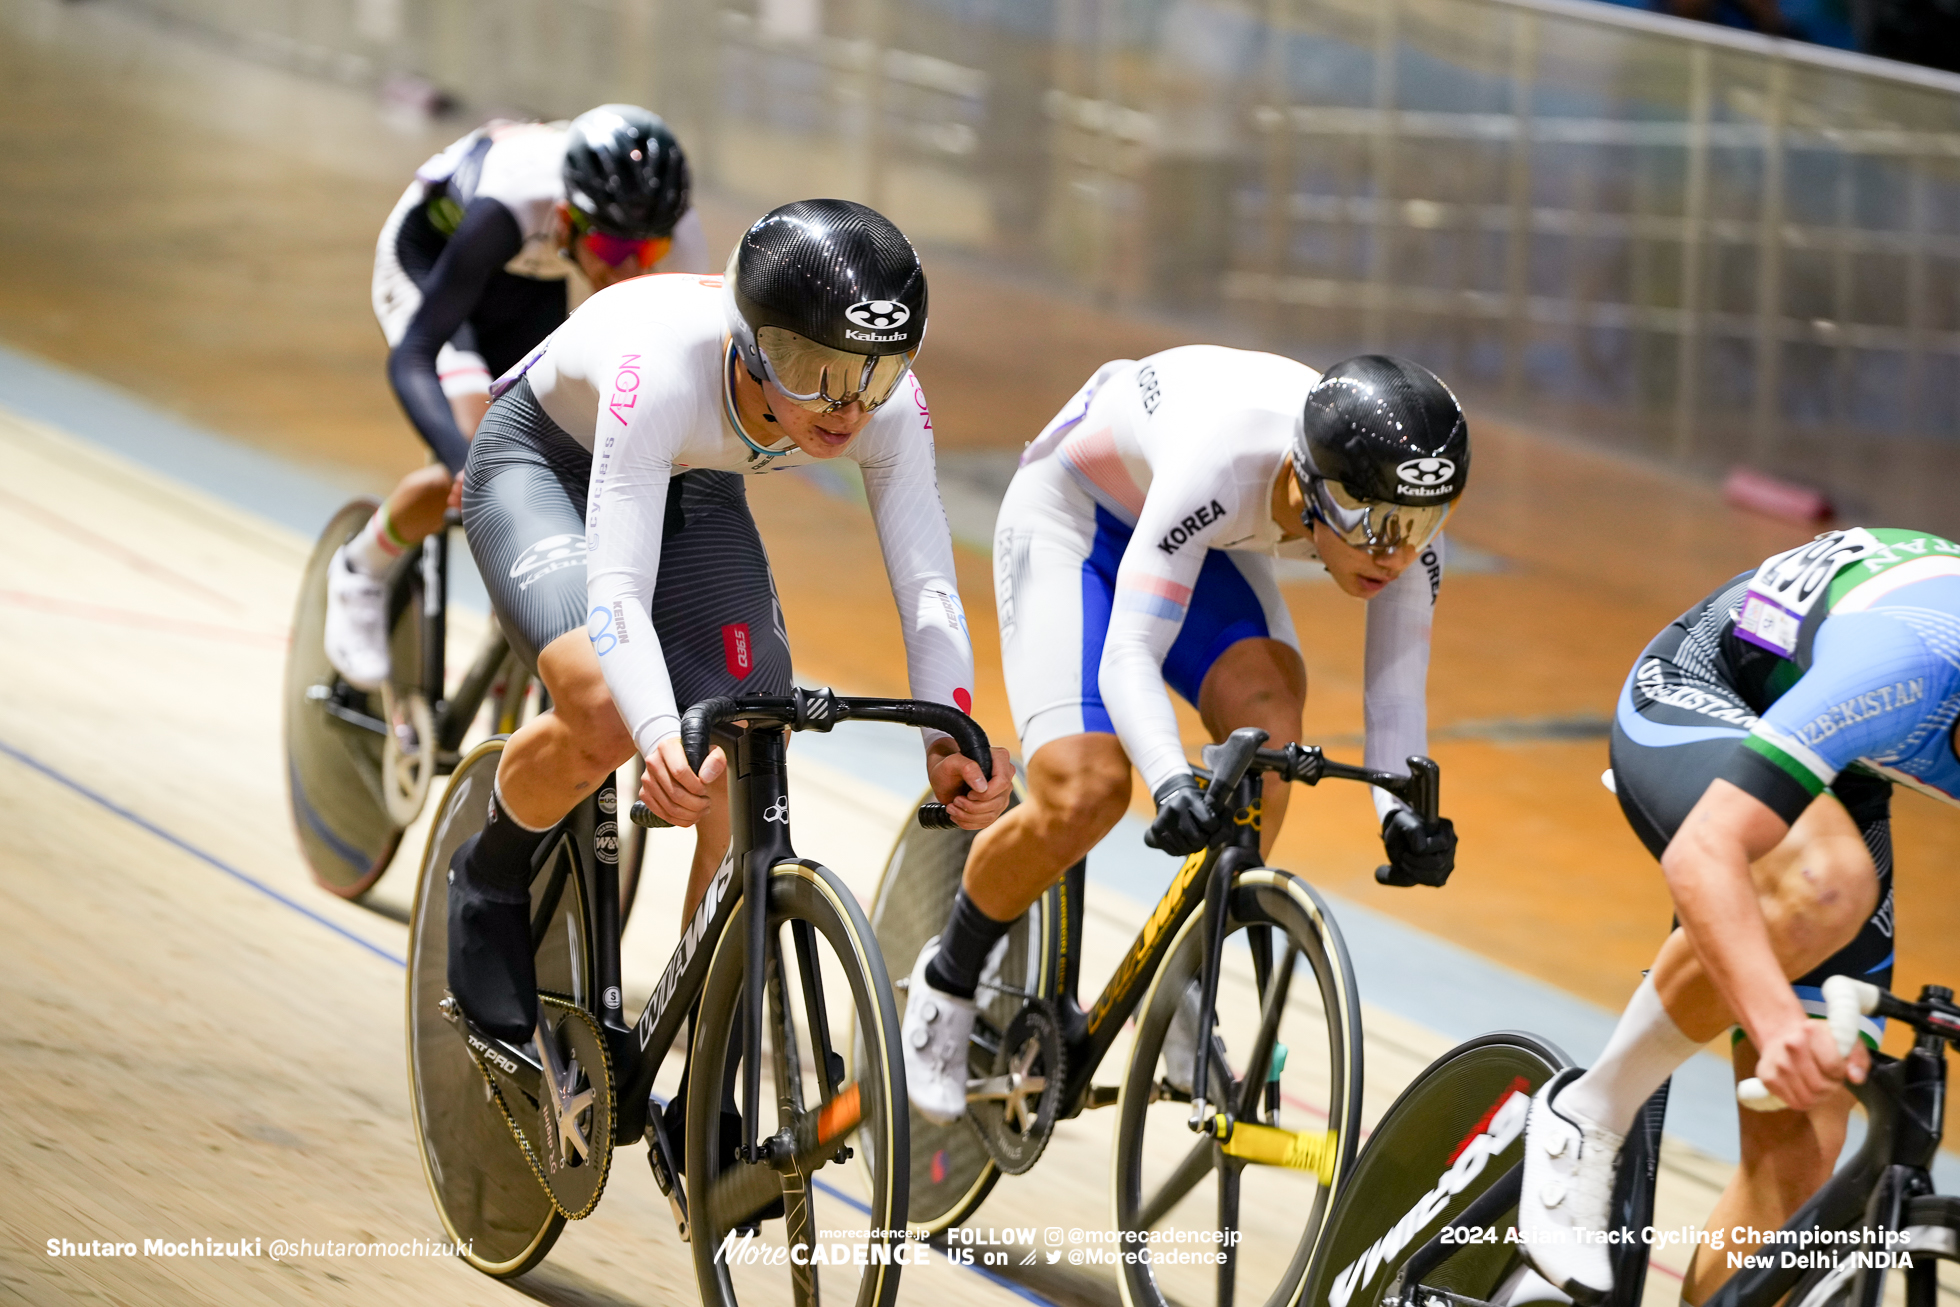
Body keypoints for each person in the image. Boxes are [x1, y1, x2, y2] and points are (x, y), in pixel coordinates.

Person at [444, 197, 1013, 1055]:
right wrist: (656, 731)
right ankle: (487, 875)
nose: (847, 406)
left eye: (876, 372)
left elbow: (930, 587)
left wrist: (951, 731)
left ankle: (706, 1039)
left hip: (693, 478)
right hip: (544, 464)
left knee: (752, 728)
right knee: (603, 710)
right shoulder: (663, 369)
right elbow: (618, 592)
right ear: (752, 346)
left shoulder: (878, 402)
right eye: (812, 367)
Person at [899, 348, 1467, 1124]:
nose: (1396, 552)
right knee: (1090, 789)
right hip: (1076, 518)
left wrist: (1399, 815)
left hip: (1193, 539)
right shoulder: (1227, 461)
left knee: (1269, 738)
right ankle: (950, 975)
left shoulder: (1396, 509)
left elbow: (1396, 696)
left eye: (1422, 525)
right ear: (1307, 484)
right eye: (1373, 524)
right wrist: (1170, 777)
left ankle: (1185, 983)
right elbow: (1129, 651)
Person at [1518, 527, 1960, 1302]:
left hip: (1845, 760)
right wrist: (1775, 1021)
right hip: (1712, 689)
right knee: (1825, 888)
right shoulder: (1907, 661)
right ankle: (1590, 1108)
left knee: (1801, 1165)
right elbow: (1703, 851)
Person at [323, 104, 707, 688]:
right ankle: (361, 568)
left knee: (566, 449)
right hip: (435, 262)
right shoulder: (512, 202)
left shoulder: (676, 236)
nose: (628, 269)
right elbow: (415, 354)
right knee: (488, 452)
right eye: (608, 250)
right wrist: (465, 464)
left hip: (536, 286)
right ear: (564, 216)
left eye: (645, 254)